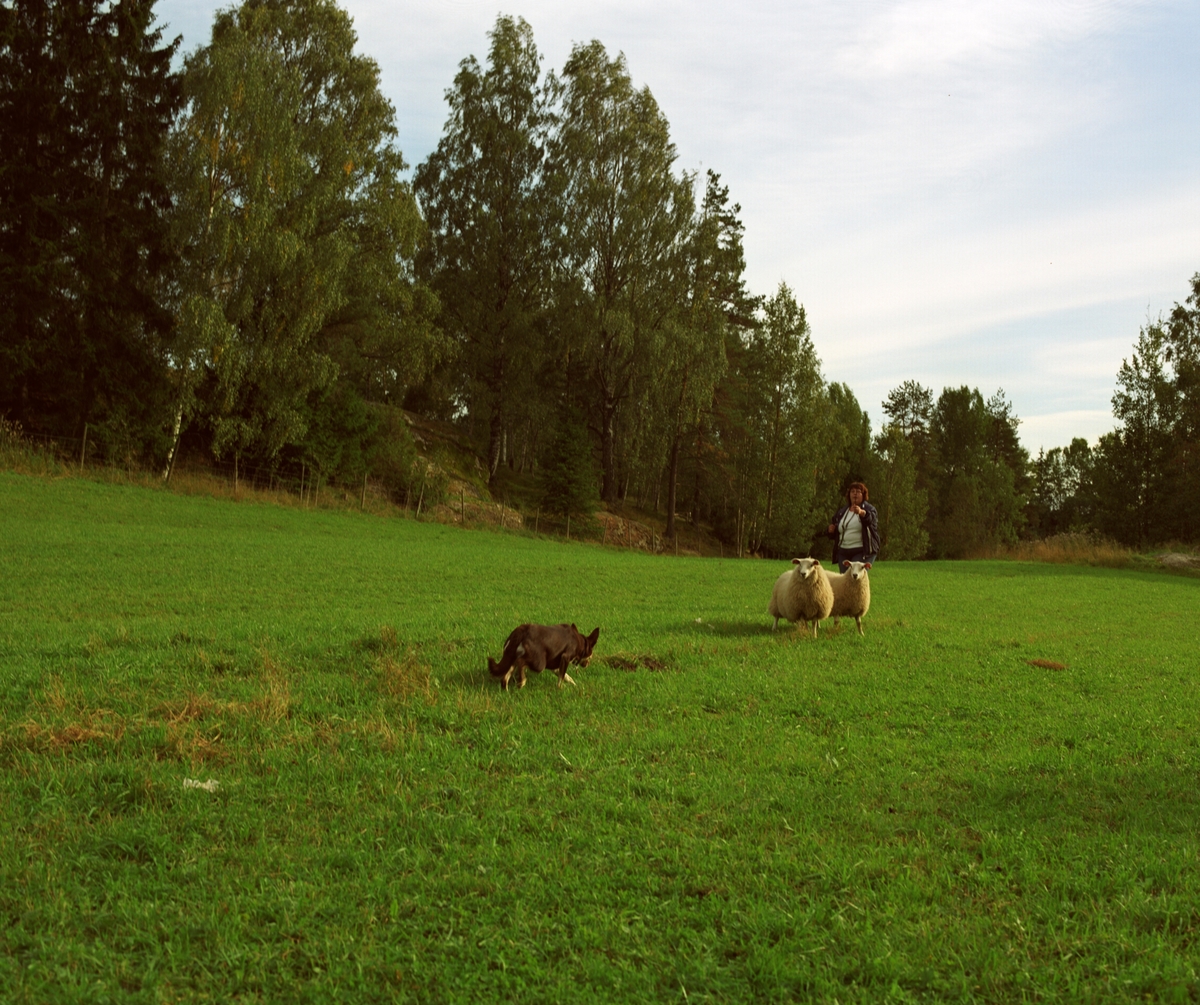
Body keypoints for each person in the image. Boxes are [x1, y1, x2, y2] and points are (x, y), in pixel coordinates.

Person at [827, 481, 879, 571]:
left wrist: (861, 513)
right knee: (844, 580)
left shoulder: (869, 509)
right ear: (849, 495)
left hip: (861, 551)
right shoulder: (842, 512)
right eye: (852, 491)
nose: (855, 494)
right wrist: (831, 530)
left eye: (858, 492)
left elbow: (870, 520)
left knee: (855, 578)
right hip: (843, 551)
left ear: (863, 495)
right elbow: (837, 529)